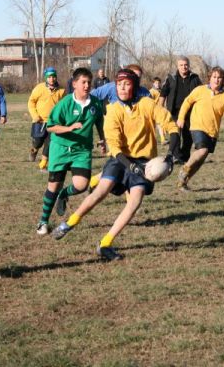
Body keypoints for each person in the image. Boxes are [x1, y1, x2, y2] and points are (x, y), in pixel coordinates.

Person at [50, 69, 180, 261]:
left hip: (144, 162)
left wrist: (170, 156)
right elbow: (115, 147)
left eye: (126, 84)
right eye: (119, 84)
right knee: (101, 191)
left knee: (134, 202)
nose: (122, 88)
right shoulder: (113, 110)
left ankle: (105, 244)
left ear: (134, 86)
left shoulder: (146, 104)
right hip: (120, 160)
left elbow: (171, 127)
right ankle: (69, 223)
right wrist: (131, 166)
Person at [35, 67, 103, 236]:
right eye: (83, 82)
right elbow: (51, 127)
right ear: (74, 84)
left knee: (82, 185)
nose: (87, 85)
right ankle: (43, 222)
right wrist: (69, 127)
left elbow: (100, 123)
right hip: (60, 149)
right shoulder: (65, 103)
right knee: (53, 186)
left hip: (81, 150)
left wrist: (103, 139)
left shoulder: (95, 103)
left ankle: (64, 194)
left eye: (89, 82)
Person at [176, 66, 224, 191]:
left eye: (219, 77)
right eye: (214, 77)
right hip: (197, 126)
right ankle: (185, 168)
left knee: (200, 161)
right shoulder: (200, 90)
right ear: (210, 78)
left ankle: (183, 182)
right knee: (202, 150)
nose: (216, 80)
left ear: (223, 80)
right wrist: (181, 118)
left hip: (212, 131)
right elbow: (187, 102)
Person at [158, 56, 203, 163]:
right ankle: (176, 157)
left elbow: (202, 93)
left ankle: (184, 156)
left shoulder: (195, 78)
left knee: (188, 137)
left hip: (190, 113)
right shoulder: (170, 78)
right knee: (175, 135)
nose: (184, 67)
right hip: (174, 112)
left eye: (186, 65)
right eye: (181, 65)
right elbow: (163, 93)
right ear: (177, 66)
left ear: (189, 65)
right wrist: (160, 109)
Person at [27, 66, 65, 171]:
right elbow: (31, 102)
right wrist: (35, 115)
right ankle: (34, 150)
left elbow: (64, 106)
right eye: (49, 77)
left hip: (53, 123)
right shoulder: (39, 88)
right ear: (46, 78)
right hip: (39, 121)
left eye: (53, 77)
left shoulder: (61, 90)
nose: (51, 79)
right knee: (38, 142)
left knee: (50, 143)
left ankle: (43, 164)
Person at [149, 77, 168, 145]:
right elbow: (150, 101)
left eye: (159, 83)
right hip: (153, 110)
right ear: (153, 83)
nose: (158, 84)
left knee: (161, 125)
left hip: (160, 110)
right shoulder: (151, 91)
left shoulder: (160, 90)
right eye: (156, 83)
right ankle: (151, 140)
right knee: (153, 126)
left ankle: (163, 139)